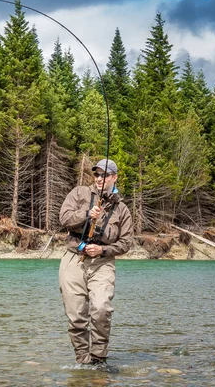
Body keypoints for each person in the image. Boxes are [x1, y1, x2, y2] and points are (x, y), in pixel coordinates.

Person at [58, 158, 133, 368]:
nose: (100, 179)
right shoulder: (79, 193)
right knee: (76, 316)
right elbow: (64, 218)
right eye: (97, 174)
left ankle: (99, 360)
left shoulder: (122, 210)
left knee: (101, 309)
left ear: (114, 178)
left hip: (103, 262)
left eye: (105, 175)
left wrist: (103, 249)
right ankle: (82, 361)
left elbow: (126, 243)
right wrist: (86, 215)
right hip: (74, 258)